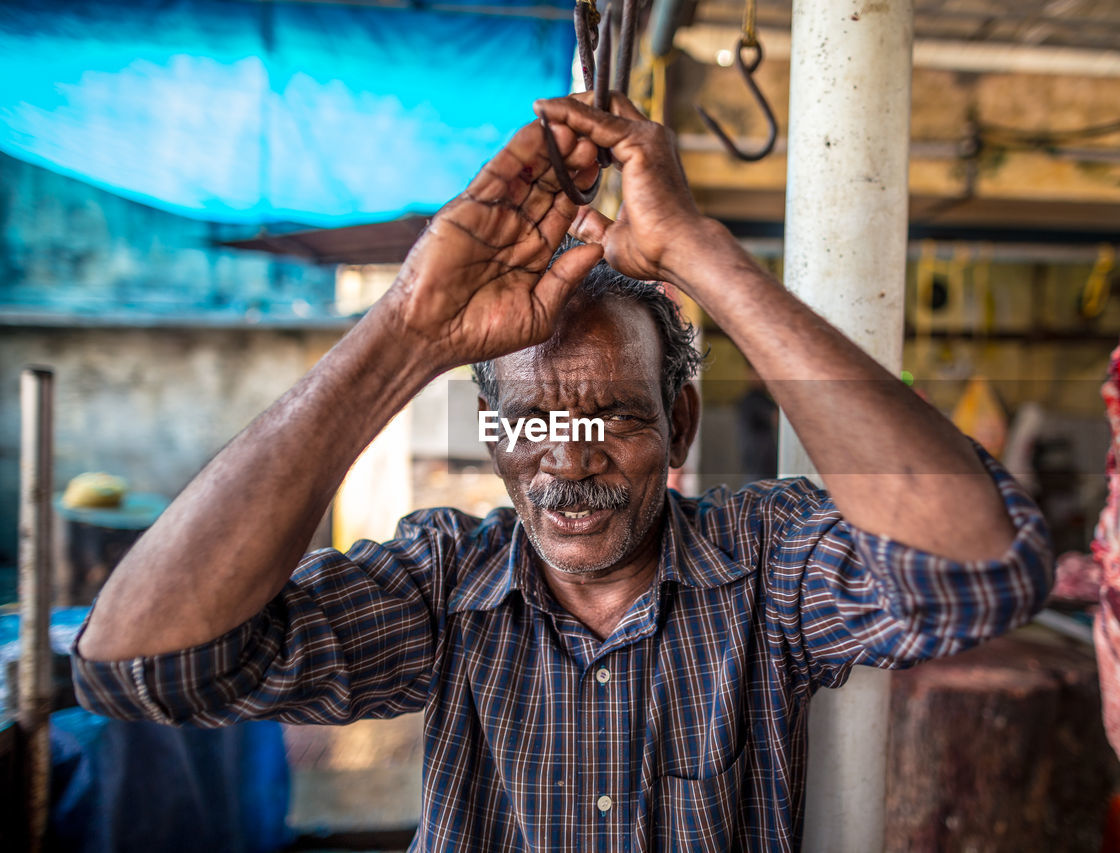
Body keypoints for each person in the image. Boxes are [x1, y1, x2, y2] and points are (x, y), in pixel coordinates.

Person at [72, 94, 1052, 851]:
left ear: (678, 422)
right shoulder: (443, 585)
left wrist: (700, 255)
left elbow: (974, 568)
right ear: (493, 434)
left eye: (614, 416)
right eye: (533, 418)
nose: (568, 455)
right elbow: (144, 666)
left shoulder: (763, 565)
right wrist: (406, 334)